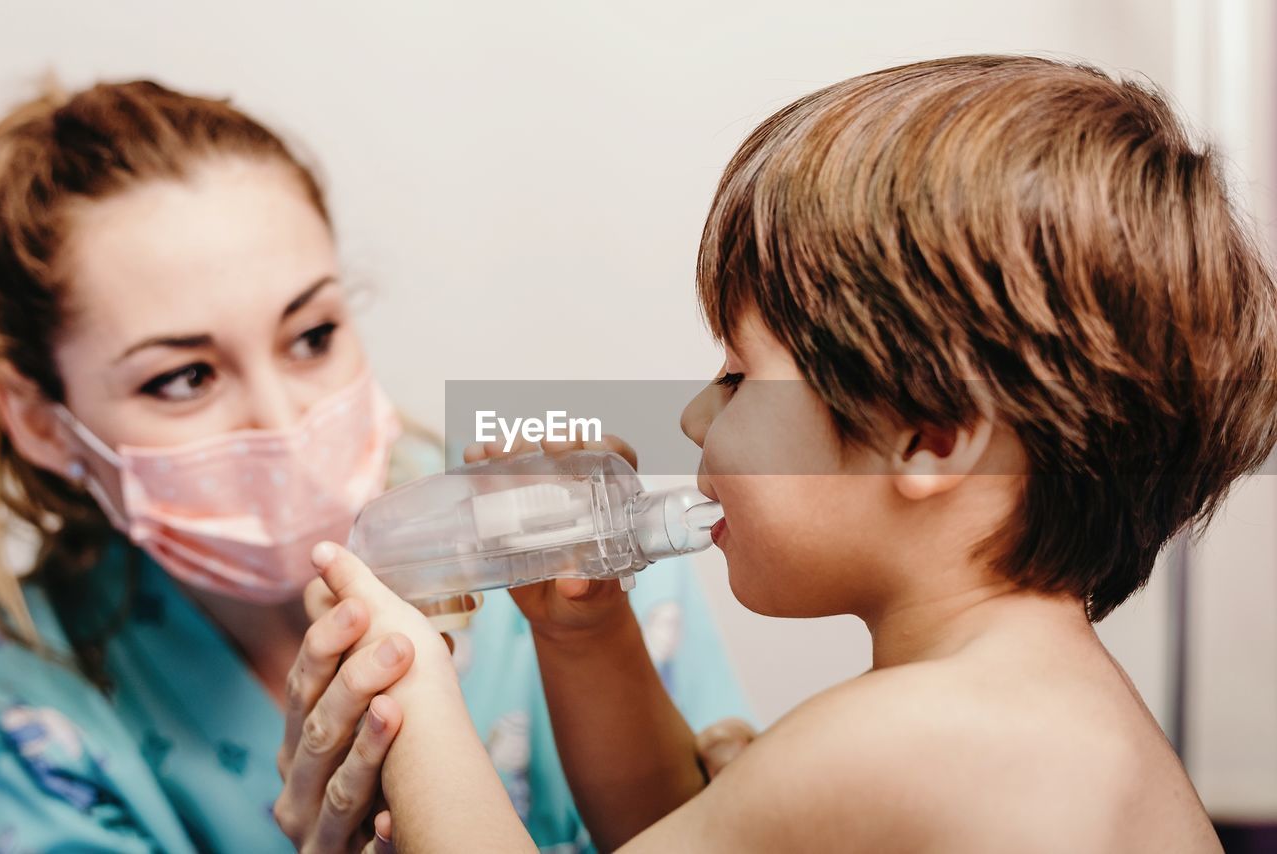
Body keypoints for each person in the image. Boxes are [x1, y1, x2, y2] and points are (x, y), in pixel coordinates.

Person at [308, 55, 1276, 851]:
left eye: (736, 375)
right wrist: (585, 636)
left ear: (929, 435)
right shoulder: (1022, 711)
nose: (693, 414)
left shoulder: (930, 741)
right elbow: (679, 828)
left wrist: (410, 685)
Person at [0, 79, 750, 853]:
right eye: (182, 378)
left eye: (312, 335)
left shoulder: (565, 546)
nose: (285, 422)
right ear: (36, 419)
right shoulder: (28, 724)